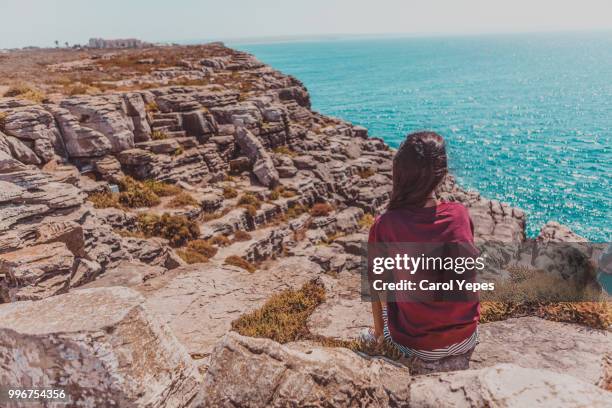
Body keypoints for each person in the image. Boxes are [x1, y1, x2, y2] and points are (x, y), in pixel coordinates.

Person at [364, 131, 480, 372]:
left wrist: (379, 336)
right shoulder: (459, 214)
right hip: (466, 336)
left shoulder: (385, 224)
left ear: (400, 174)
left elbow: (377, 287)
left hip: (415, 345)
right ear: (442, 174)